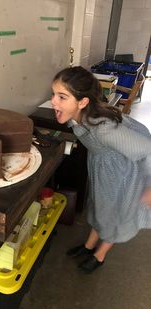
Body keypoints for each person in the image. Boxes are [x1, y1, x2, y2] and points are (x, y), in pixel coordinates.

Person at [51, 66, 151, 273]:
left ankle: (100, 255)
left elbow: (147, 150)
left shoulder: (103, 128)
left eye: (62, 97)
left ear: (83, 102)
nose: (53, 101)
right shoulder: (81, 113)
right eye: (54, 95)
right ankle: (89, 246)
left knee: (115, 215)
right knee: (99, 206)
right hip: (104, 169)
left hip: (123, 173)